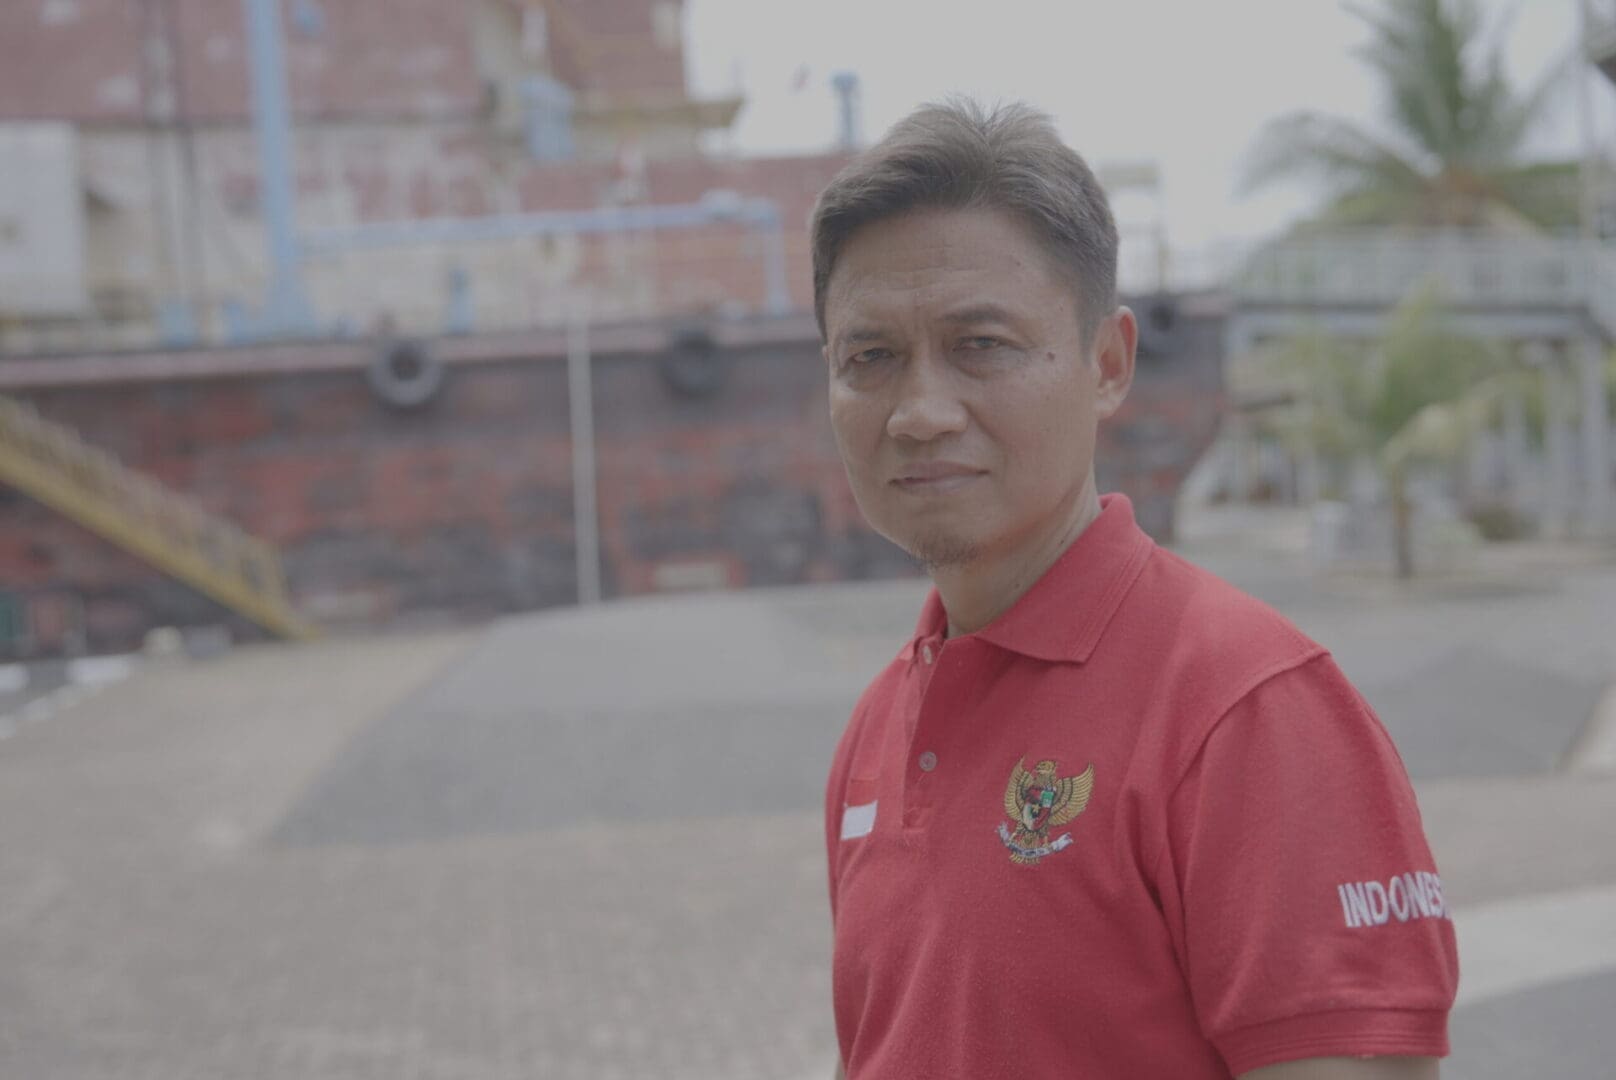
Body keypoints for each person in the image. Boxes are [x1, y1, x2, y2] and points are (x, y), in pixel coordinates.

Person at [813, 100, 1458, 1079]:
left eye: (980, 344)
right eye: (870, 358)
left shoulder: (1247, 711)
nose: (920, 412)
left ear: (1107, 364)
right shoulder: (876, 728)